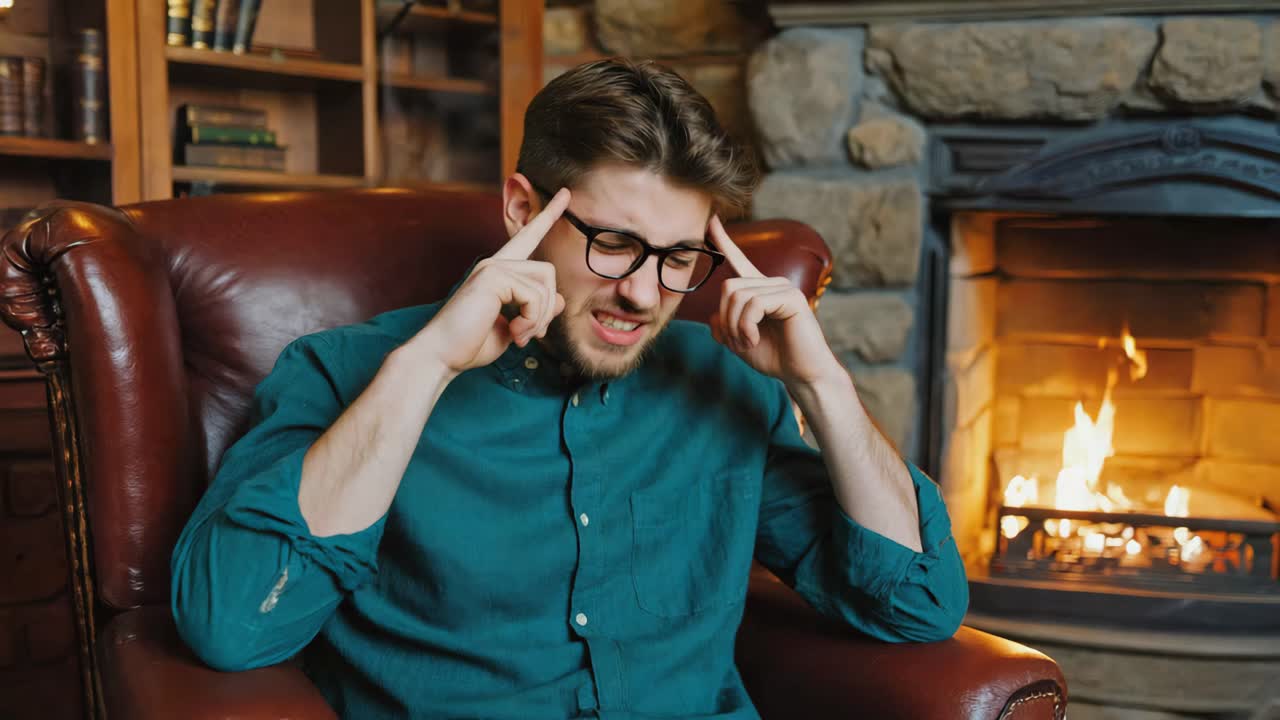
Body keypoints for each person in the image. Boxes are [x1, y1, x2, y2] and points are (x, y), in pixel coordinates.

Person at [170, 58, 967, 720]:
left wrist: (821, 384)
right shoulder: (344, 373)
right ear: (523, 209)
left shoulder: (725, 384)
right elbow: (233, 624)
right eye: (615, 245)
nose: (647, 295)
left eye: (679, 257)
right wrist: (426, 368)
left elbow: (916, 604)